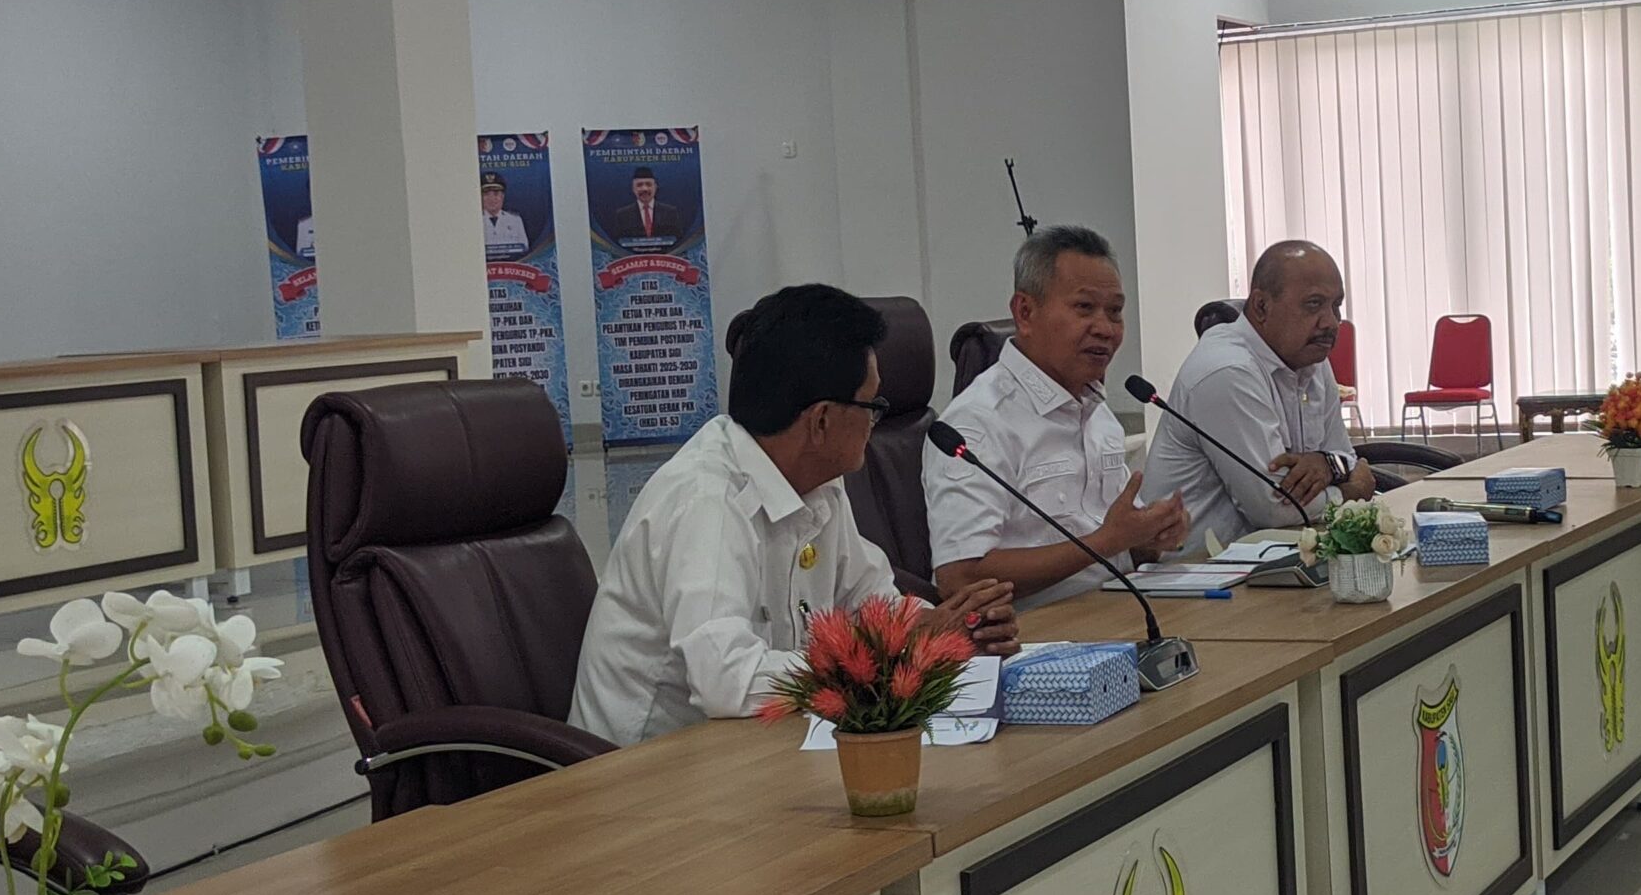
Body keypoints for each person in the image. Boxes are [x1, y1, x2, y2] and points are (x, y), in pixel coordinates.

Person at [570, 284, 1018, 743]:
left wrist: (947, 627)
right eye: (873, 406)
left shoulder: (817, 483)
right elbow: (726, 679)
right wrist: (881, 659)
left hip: (755, 744)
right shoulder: (707, 501)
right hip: (649, 765)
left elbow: (871, 603)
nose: (875, 422)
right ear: (821, 420)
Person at [926, 225, 1190, 609]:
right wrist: (1107, 542)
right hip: (1036, 636)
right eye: (1084, 308)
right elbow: (959, 577)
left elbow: (1112, 549)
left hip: (1120, 613)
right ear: (1025, 312)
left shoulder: (1097, 413)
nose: (1105, 328)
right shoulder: (977, 423)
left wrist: (1149, 538)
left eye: (1115, 311)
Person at [1143, 241, 1376, 547]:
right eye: (1314, 304)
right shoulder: (1227, 370)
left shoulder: (1311, 360)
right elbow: (1274, 507)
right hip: (1199, 568)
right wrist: (1351, 492)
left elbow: (1345, 459)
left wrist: (1326, 464)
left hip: (1279, 554)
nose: (1331, 322)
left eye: (1336, 306)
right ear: (1262, 306)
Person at [605, 167, 694, 249]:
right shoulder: (622, 215)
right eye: (639, 185)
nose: (645, 189)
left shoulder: (670, 212)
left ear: (655, 187)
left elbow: (678, 242)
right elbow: (618, 244)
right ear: (633, 189)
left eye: (648, 184)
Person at [479, 172, 527, 258]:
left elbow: (524, 248)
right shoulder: (474, 221)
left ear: (502, 196)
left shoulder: (515, 220)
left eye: (496, 194)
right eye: (486, 194)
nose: (491, 199)